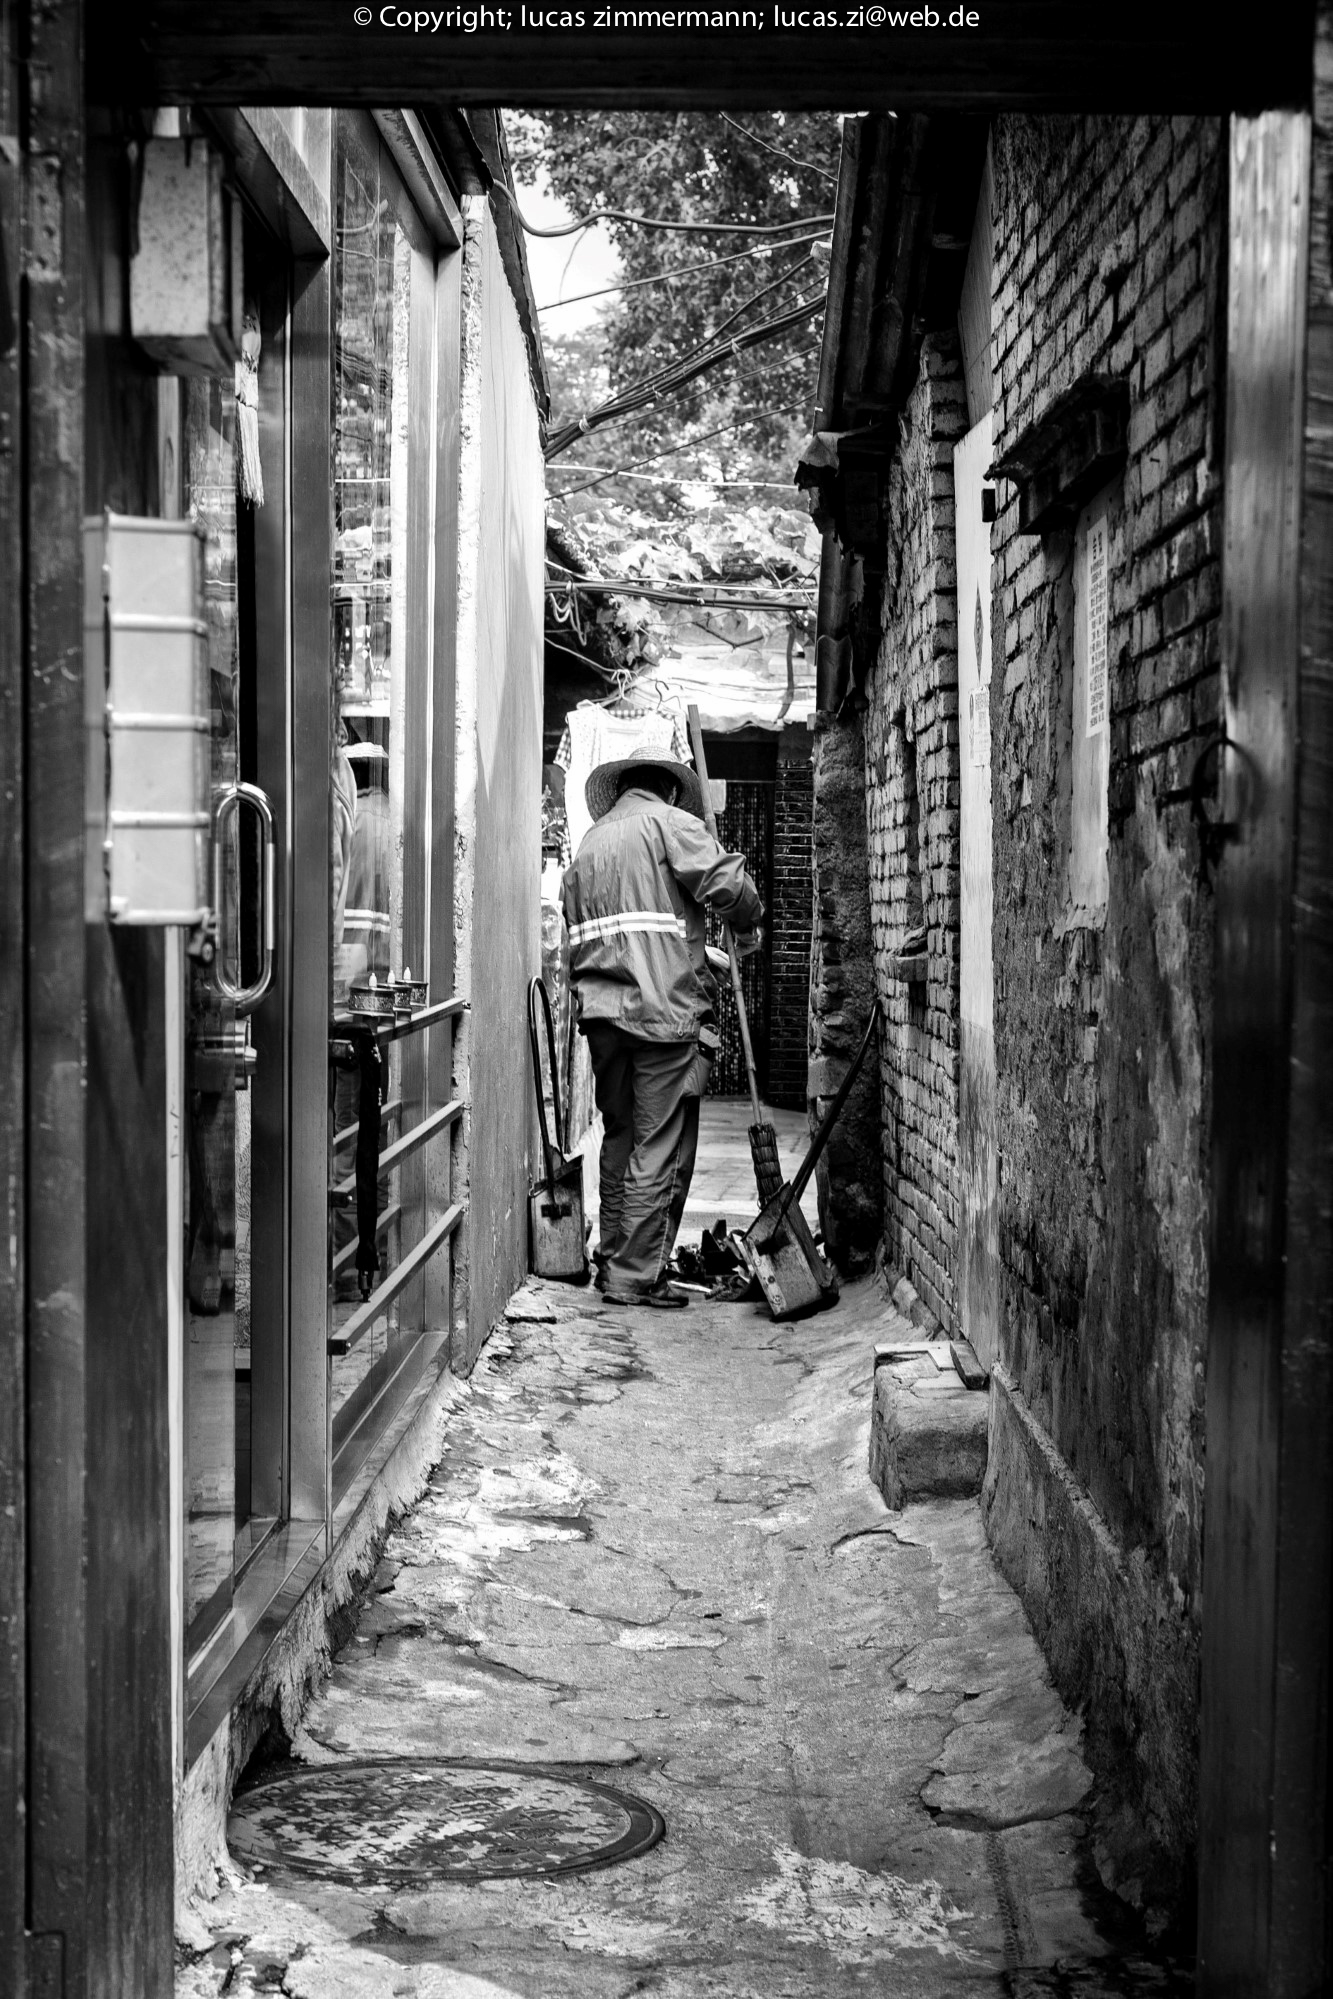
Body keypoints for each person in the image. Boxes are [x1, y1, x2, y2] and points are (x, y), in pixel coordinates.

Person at [562, 748, 763, 1308]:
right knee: (659, 1143)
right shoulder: (672, 824)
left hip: (602, 1015)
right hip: (661, 1014)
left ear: (625, 786)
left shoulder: (591, 842)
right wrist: (748, 922)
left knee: (621, 1135)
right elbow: (727, 885)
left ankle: (612, 1258)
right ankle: (633, 1275)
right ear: (670, 789)